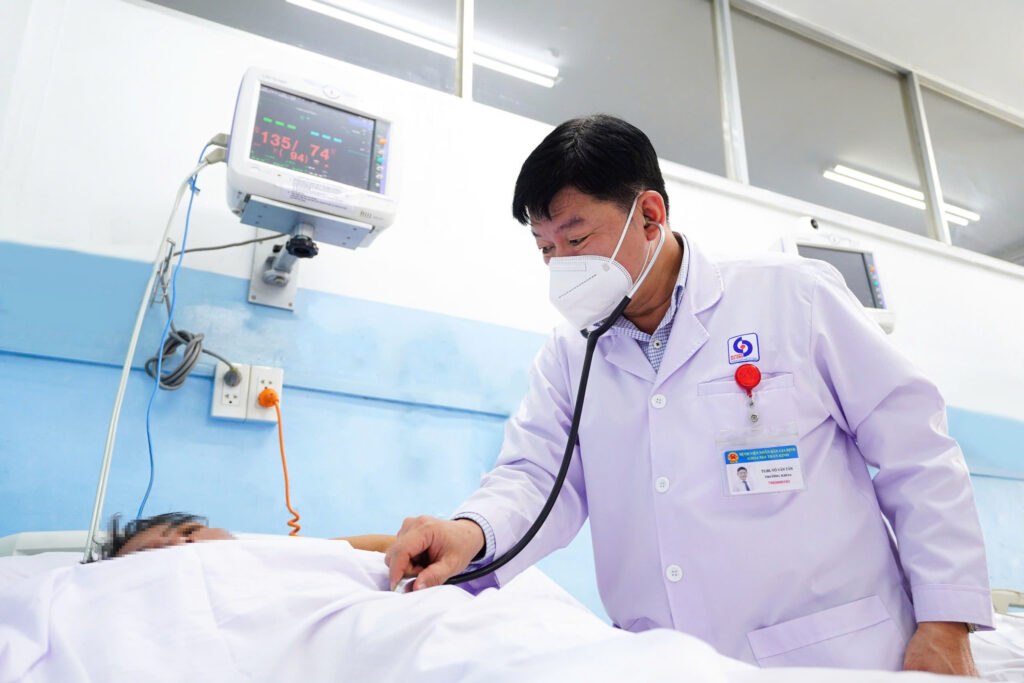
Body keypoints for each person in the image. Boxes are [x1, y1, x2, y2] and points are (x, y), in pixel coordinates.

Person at [385, 115, 992, 675]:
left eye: (576, 239)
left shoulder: (792, 297)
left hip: (836, 656)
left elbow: (918, 452)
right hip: (670, 663)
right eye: (545, 249)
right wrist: (470, 531)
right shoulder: (571, 354)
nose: (560, 264)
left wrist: (947, 622)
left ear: (649, 215)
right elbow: (536, 477)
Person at [87, 512, 396, 560]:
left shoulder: (287, 560)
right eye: (153, 552)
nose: (183, 542)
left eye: (190, 532)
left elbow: (387, 548)